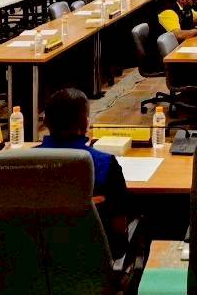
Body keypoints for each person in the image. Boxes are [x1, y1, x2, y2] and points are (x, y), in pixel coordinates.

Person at [36, 88, 133, 256]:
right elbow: (119, 225)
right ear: (86, 124)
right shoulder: (106, 164)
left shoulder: (20, 163)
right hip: (92, 261)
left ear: (45, 121)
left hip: (33, 259)